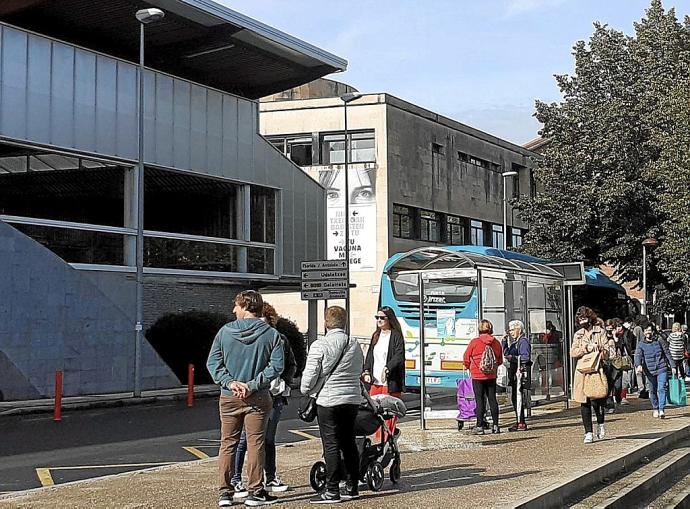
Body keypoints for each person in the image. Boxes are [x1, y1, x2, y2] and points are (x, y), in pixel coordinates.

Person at [207, 290, 285, 507]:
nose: (233, 310)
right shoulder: (271, 335)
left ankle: (225, 493)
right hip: (258, 397)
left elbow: (213, 364)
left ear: (245, 307)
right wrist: (252, 385)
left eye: (236, 306)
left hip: (229, 396)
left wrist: (230, 382)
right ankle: (255, 490)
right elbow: (277, 366)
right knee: (256, 444)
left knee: (228, 444)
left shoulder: (224, 332)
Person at [232, 302, 297, 498]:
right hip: (250, 393)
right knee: (244, 440)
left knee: (268, 439)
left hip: (274, 394)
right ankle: (236, 480)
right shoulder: (244, 338)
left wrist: (285, 382)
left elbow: (290, 364)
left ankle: (269, 477)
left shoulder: (280, 339)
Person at [301, 306, 364, 504]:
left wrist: (306, 390)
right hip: (352, 399)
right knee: (349, 442)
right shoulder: (354, 344)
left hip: (328, 400)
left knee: (331, 444)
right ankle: (352, 485)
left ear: (326, 322)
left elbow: (309, 377)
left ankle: (332, 490)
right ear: (344, 322)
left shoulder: (320, 345)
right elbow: (359, 370)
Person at [362, 306, 405, 439]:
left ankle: (388, 440)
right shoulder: (376, 336)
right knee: (374, 411)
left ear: (389, 319)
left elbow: (399, 355)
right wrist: (366, 371)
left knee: (389, 413)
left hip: (390, 381)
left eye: (382, 318)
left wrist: (388, 368)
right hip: (376, 381)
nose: (379, 320)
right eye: (377, 318)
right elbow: (370, 355)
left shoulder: (396, 336)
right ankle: (379, 440)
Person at [571, 306, 609, 444]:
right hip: (582, 371)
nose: (582, 320)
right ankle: (588, 432)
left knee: (597, 400)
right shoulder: (578, 334)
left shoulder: (600, 332)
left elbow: (608, 352)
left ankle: (600, 423)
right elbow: (573, 352)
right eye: (580, 318)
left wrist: (601, 351)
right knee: (584, 402)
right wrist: (586, 348)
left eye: (584, 317)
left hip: (596, 370)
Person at [463, 319, 503, 435]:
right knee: (492, 399)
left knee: (479, 400)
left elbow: (466, 357)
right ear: (491, 329)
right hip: (491, 376)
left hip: (477, 375)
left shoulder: (474, 342)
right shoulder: (496, 343)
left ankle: (480, 426)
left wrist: (468, 366)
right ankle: (496, 426)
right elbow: (500, 360)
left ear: (479, 329)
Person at [635, 323, 675, 418]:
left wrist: (672, 366)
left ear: (653, 331)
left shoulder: (660, 340)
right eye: (646, 330)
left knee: (661, 388)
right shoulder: (641, 344)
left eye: (649, 330)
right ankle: (655, 408)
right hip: (649, 370)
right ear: (643, 332)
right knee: (652, 390)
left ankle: (661, 409)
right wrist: (638, 365)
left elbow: (667, 353)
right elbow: (638, 356)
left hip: (661, 368)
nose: (648, 332)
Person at [502, 320, 531, 432]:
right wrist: (504, 341)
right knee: (515, 398)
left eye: (513, 330)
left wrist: (512, 358)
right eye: (510, 330)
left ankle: (521, 422)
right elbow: (506, 353)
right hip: (514, 373)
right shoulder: (515, 343)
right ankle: (519, 420)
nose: (511, 332)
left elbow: (525, 357)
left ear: (519, 329)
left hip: (520, 374)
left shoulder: (523, 341)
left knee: (518, 398)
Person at [603, 319, 624, 414]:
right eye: (608, 328)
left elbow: (622, 347)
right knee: (609, 385)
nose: (609, 330)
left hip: (617, 362)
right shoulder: (602, 337)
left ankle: (618, 397)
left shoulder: (618, 337)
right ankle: (609, 405)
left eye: (611, 328)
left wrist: (615, 338)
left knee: (618, 385)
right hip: (607, 362)